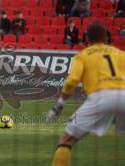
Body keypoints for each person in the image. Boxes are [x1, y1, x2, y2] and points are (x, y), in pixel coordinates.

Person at [46, 22, 125, 166]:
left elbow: (72, 81)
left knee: (66, 140)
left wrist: (59, 105)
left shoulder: (83, 55)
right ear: (106, 38)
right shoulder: (120, 53)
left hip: (101, 97)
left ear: (87, 39)